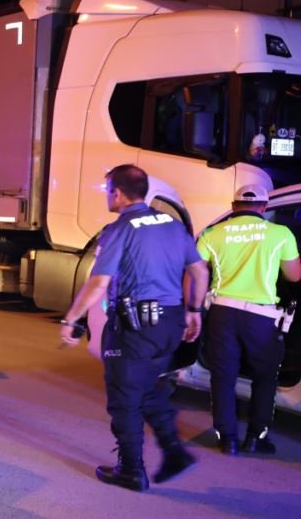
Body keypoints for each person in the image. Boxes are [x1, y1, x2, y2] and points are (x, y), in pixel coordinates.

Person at [59, 164, 207, 492]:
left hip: (135, 326)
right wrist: (194, 311)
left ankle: (130, 470)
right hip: (169, 323)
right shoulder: (171, 224)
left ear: (117, 192)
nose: (106, 196)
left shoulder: (119, 229)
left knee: (124, 398)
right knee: (146, 387)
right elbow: (199, 271)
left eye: (107, 190)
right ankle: (173, 452)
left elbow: (99, 283)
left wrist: (71, 319)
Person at [196, 183, 301, 455]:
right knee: (265, 377)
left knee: (223, 376)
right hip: (262, 318)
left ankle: (227, 438)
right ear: (264, 208)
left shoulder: (211, 234)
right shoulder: (280, 234)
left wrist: (192, 310)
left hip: (222, 314)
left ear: (233, 207)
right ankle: (256, 437)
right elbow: (295, 275)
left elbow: (195, 271)